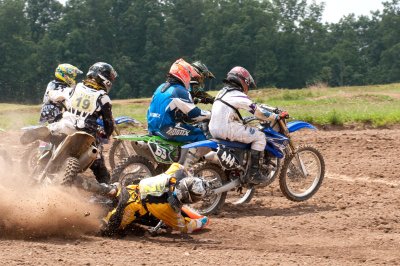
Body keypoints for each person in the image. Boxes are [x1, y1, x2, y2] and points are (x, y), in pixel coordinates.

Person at [21, 62, 118, 184]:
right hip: (86, 135)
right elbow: (109, 125)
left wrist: (57, 100)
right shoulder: (103, 98)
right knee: (99, 167)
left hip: (64, 129)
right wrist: (105, 135)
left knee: (54, 135)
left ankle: (46, 134)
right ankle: (106, 193)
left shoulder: (74, 88)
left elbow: (53, 95)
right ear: (104, 79)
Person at [209, 66, 284, 184]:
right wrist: (275, 116)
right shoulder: (237, 94)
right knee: (259, 136)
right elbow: (257, 111)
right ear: (243, 81)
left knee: (245, 132)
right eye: (247, 84)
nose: (247, 87)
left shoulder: (222, 92)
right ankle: (253, 173)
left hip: (213, 128)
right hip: (226, 129)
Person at [100, 163, 210, 236]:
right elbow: (184, 227)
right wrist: (202, 222)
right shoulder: (167, 208)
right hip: (131, 205)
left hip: (131, 187)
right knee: (108, 230)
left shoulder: (175, 173)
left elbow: (179, 165)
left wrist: (189, 177)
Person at [147, 58, 211, 143]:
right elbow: (195, 114)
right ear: (184, 74)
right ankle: (193, 157)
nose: (190, 76)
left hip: (152, 127)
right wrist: (211, 114)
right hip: (167, 129)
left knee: (187, 128)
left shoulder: (161, 87)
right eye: (189, 73)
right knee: (200, 134)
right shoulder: (179, 90)